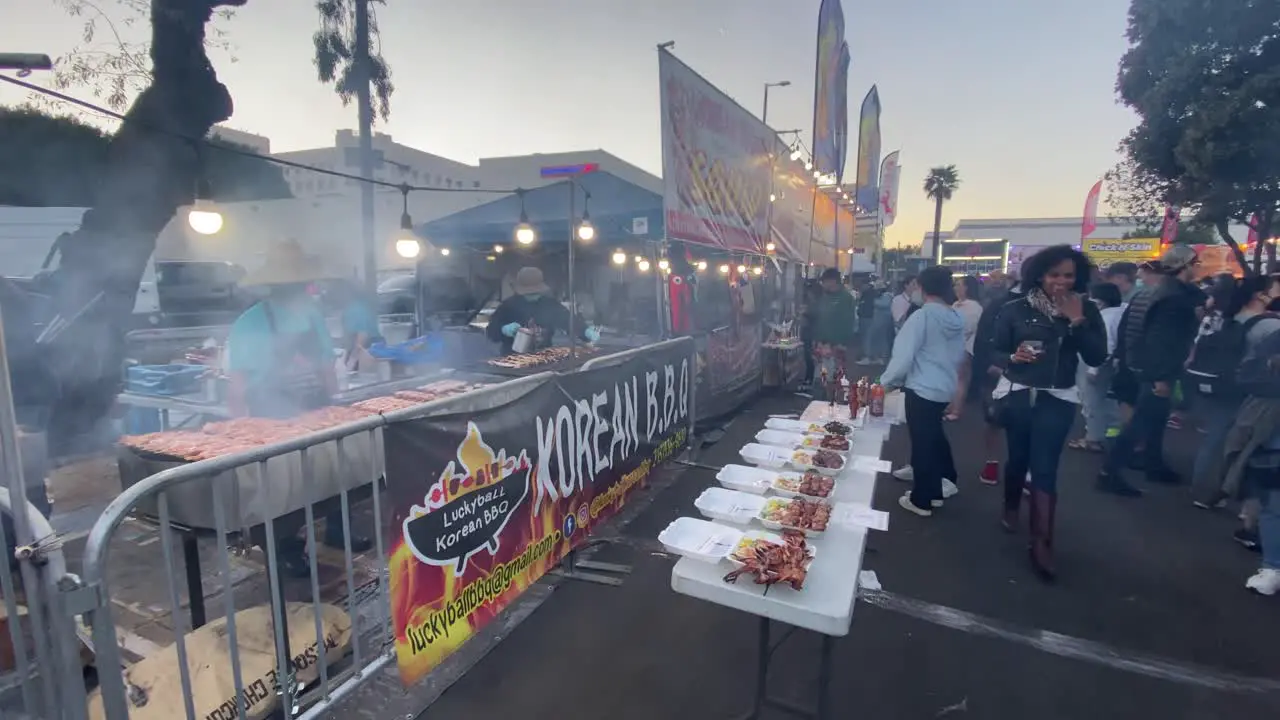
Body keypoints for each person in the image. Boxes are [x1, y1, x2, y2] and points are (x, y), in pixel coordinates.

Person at [226, 240, 371, 575]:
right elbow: (237, 383)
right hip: (270, 410)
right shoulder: (250, 323)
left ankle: (339, 531)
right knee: (283, 486)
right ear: (278, 285)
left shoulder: (312, 315)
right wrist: (239, 430)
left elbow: (324, 365)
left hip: (314, 404)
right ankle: (286, 550)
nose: (299, 289)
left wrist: (337, 406)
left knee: (335, 468)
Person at [990, 245, 1108, 581]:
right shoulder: (1015, 309)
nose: (1061, 281)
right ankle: (1011, 505)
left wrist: (1078, 321)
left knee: (1045, 467)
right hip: (1020, 394)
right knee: (1018, 458)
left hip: (1059, 396)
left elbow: (1098, 356)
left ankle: (1042, 542)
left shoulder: (1086, 310)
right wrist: (1013, 357)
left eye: (1068, 275)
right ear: (1040, 275)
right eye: (1054, 274)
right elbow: (994, 350)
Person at [1098, 246, 1203, 495]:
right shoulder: (1173, 297)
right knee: (1142, 422)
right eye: (1196, 261)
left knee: (1153, 420)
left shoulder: (1151, 293)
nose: (1200, 266)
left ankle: (1153, 464)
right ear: (1185, 265)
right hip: (1158, 369)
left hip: (1144, 365)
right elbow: (1161, 339)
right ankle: (1109, 471)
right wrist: (1159, 376)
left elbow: (1130, 330)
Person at [882, 266, 966, 518]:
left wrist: (885, 382)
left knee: (923, 442)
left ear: (923, 287)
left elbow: (903, 356)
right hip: (944, 385)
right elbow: (958, 356)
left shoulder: (922, 317)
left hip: (922, 386)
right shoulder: (954, 317)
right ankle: (936, 491)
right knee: (932, 436)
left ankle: (922, 499)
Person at [970, 274, 1025, 485]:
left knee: (1006, 421)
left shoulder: (1000, 303)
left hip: (1032, 374)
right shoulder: (1001, 304)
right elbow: (984, 337)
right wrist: (990, 363)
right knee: (995, 418)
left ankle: (1014, 468)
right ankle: (994, 464)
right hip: (1002, 370)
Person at [487, 267, 599, 354]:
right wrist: (503, 329)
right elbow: (491, 331)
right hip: (512, 356)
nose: (532, 295)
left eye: (535, 292)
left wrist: (585, 331)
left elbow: (568, 320)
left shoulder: (550, 304)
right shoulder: (508, 306)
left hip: (544, 355)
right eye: (529, 293)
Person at [1068, 282, 1124, 452]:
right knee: (1106, 399)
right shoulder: (1121, 312)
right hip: (1111, 365)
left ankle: (1093, 438)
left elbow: (1107, 344)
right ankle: (1111, 430)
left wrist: (1094, 369)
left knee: (1091, 401)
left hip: (1095, 364)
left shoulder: (1105, 317)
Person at [809, 268, 856, 395]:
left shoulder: (846, 298)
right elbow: (819, 317)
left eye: (824, 282)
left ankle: (830, 404)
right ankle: (818, 403)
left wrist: (840, 343)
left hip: (835, 346)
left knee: (832, 379)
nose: (823, 285)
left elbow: (848, 323)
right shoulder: (824, 297)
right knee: (819, 378)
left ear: (832, 281)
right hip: (821, 345)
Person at [949, 275, 984, 418]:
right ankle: (951, 405)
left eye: (959, 284)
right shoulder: (956, 304)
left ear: (967, 287)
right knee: (953, 378)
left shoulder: (974, 306)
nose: (956, 288)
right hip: (953, 345)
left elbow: (968, 327)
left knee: (961, 378)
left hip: (966, 346)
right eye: (955, 285)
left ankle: (956, 409)